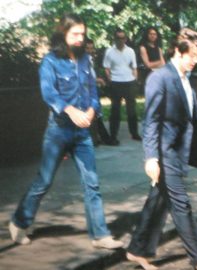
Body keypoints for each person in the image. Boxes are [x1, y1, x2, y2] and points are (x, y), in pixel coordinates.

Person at [8, 13, 123, 250]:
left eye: (83, 34)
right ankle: (20, 221)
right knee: (44, 181)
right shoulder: (50, 62)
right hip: (58, 131)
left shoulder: (85, 60)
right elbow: (49, 94)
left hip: (82, 133)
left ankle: (100, 235)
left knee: (92, 183)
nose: (81, 38)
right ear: (63, 34)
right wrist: (70, 111)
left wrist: (92, 110)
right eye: (75, 34)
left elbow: (93, 92)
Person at [125, 28, 197, 270]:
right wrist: (150, 158)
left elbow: (194, 112)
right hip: (164, 152)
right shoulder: (160, 78)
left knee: (158, 202)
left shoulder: (184, 78)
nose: (196, 60)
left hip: (178, 151)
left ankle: (137, 250)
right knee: (181, 205)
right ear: (179, 53)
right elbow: (151, 121)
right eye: (193, 55)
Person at [103, 28, 141, 144]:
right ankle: (113, 135)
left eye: (123, 38)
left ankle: (134, 133)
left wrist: (135, 79)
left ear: (126, 39)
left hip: (129, 82)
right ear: (114, 38)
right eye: (118, 38)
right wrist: (110, 79)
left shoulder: (130, 51)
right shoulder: (109, 51)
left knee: (132, 110)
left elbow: (134, 67)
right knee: (115, 110)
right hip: (116, 83)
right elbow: (107, 68)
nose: (120, 40)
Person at [85, 38, 115, 146]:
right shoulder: (83, 60)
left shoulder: (90, 59)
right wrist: (98, 80)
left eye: (91, 48)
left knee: (97, 114)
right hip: (87, 91)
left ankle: (98, 138)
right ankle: (103, 138)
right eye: (87, 48)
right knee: (95, 114)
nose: (90, 50)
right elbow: (84, 78)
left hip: (93, 89)